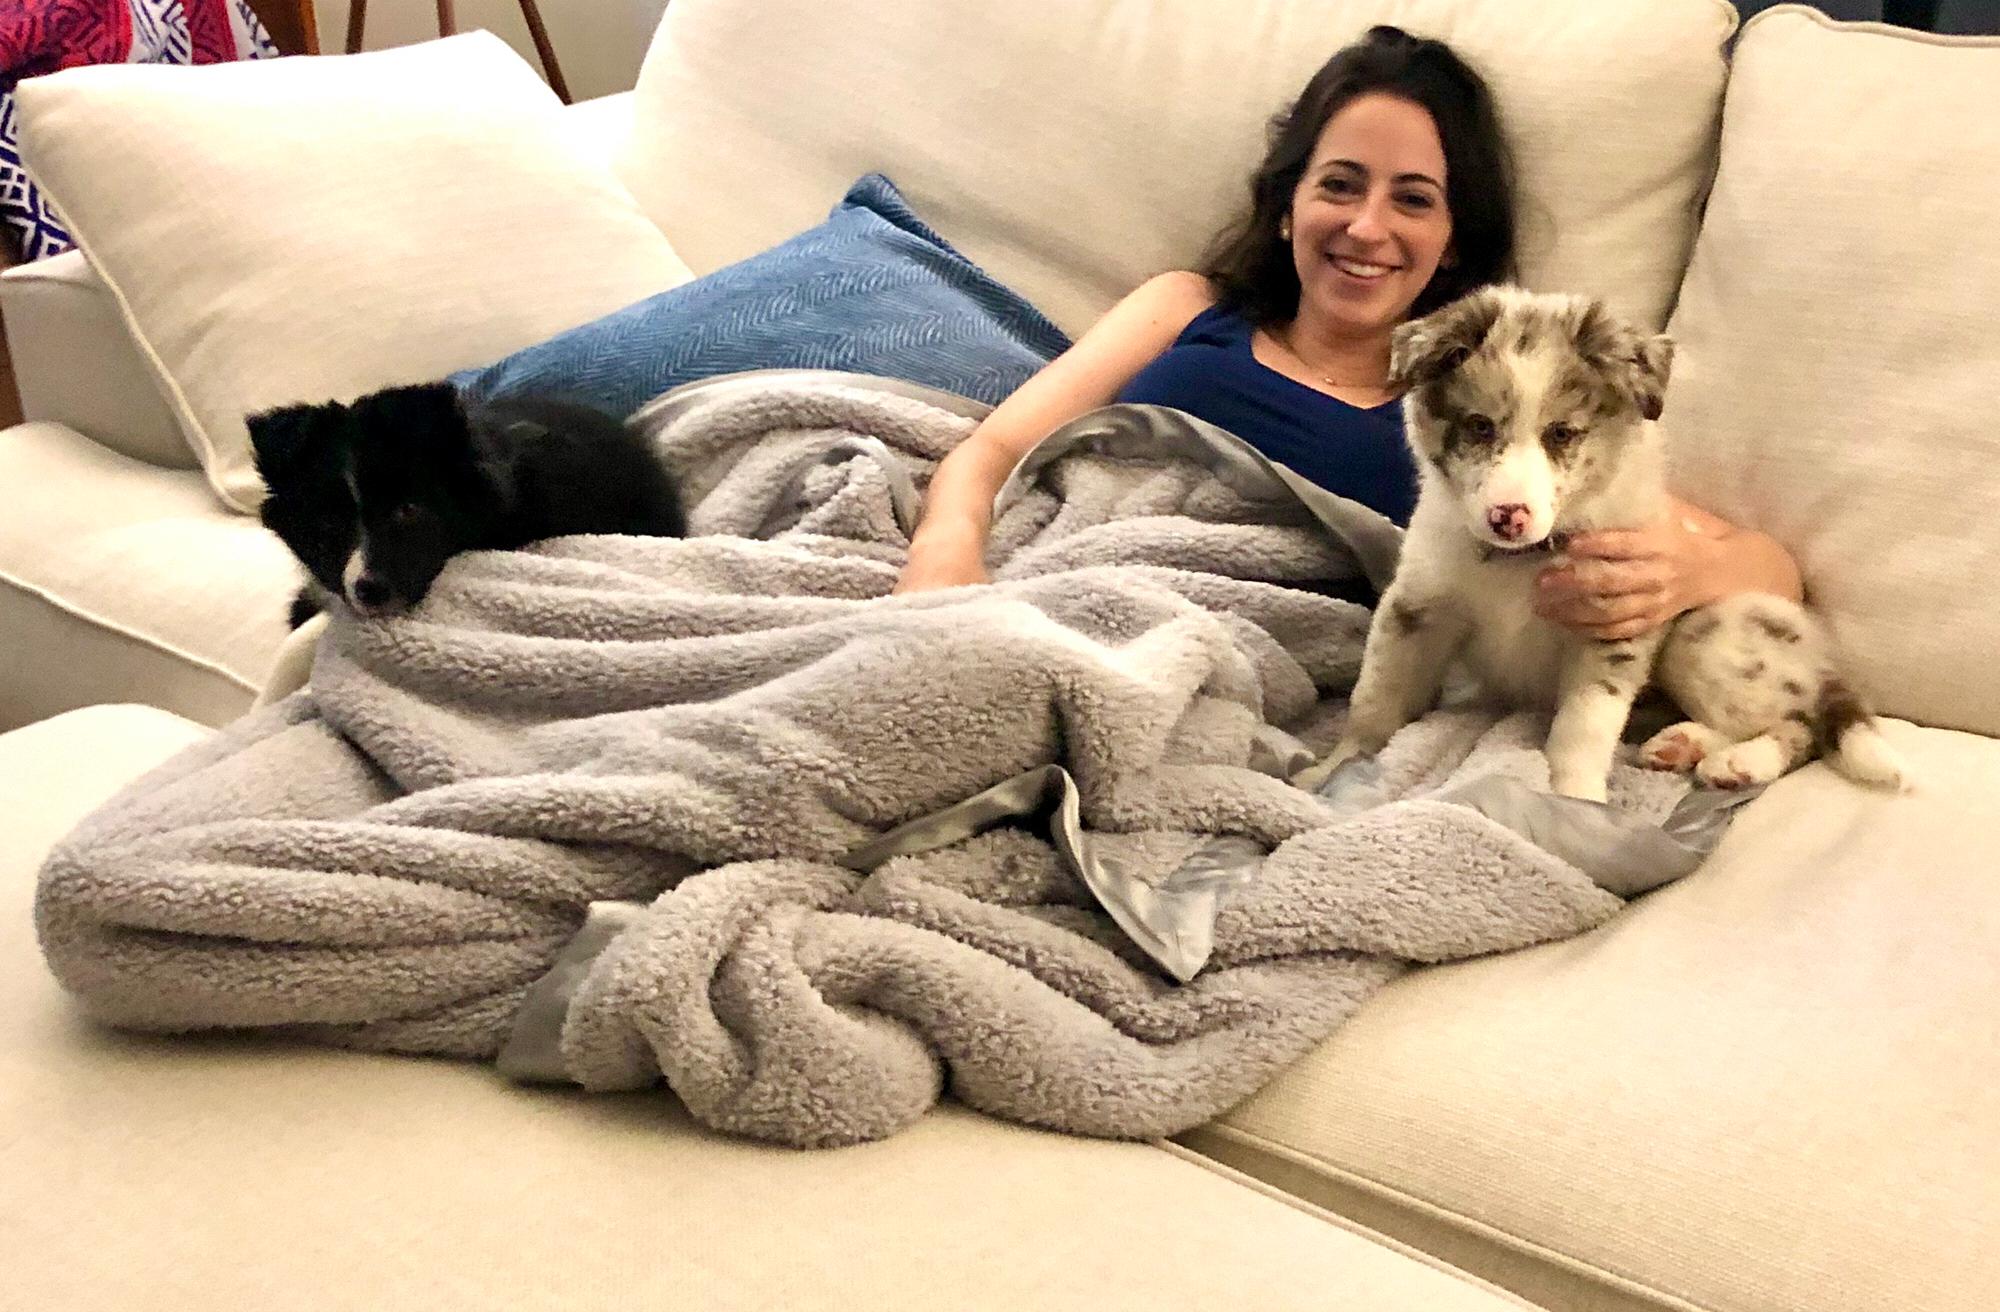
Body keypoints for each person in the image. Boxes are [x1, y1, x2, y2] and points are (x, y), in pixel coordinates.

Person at [893, 25, 1802, 639]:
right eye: (1339, 185)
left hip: (1233, 648)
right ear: (1289, 205)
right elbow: (996, 449)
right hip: (1041, 577)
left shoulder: (1480, 426)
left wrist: (1686, 576)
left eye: (1413, 200)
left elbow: (1768, 568)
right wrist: (944, 555)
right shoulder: (1185, 308)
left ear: (1451, 244)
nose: (1367, 228)